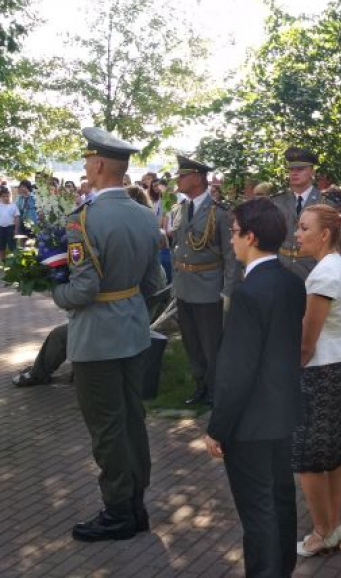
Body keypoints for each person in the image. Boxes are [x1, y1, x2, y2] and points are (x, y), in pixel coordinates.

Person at [51, 127, 165, 542]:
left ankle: (118, 512)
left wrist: (55, 292)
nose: (86, 167)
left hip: (97, 338)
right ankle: (135, 505)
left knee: (107, 427)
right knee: (132, 419)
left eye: (87, 161)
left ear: (98, 165)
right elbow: (155, 282)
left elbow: (82, 290)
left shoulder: (83, 219)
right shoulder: (145, 215)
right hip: (133, 332)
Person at [204, 197, 305, 578]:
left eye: (234, 232)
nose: (231, 239)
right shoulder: (291, 282)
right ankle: (282, 568)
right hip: (282, 412)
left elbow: (237, 370)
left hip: (250, 422)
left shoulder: (248, 293)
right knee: (280, 500)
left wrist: (218, 427)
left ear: (251, 237)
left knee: (258, 509)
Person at [293, 204, 341, 556]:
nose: (297, 234)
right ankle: (333, 525)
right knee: (335, 454)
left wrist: (288, 371)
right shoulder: (339, 265)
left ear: (324, 234)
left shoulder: (324, 275)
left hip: (321, 374)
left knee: (308, 459)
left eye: (303, 227)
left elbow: (306, 342)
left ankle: (322, 532)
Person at [172, 155, 238, 405]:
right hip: (184, 285)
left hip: (209, 286)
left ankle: (215, 389)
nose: (178, 180)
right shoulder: (181, 208)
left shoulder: (220, 213)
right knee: (191, 341)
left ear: (198, 179)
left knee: (211, 343)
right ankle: (199, 384)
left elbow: (231, 256)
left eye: (183, 176)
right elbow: (178, 247)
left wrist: (228, 290)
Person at [272, 147, 323, 280]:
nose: (294, 173)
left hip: (313, 269)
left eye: (300, 169)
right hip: (281, 268)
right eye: (291, 169)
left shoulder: (324, 201)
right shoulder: (276, 201)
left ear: (312, 171)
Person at [0, 185, 20, 261]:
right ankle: (3, 261)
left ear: (10, 196)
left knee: (12, 246)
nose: (6, 198)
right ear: (1, 197)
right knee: (1, 246)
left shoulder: (13, 206)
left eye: (7, 196)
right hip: (1, 228)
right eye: (4, 196)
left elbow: (17, 218)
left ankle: (14, 262)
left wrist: (16, 230)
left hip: (10, 228)